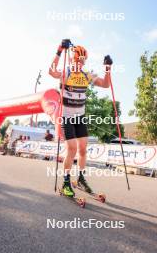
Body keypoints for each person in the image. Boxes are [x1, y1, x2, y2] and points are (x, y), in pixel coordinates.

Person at [49, 39, 113, 197]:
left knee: (83, 149)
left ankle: (81, 179)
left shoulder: (86, 75)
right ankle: (65, 183)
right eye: (78, 60)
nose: (80, 63)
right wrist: (59, 50)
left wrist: (108, 68)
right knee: (72, 149)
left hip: (80, 118)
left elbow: (105, 85)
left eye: (83, 60)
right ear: (72, 59)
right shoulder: (66, 73)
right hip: (67, 117)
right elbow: (51, 71)